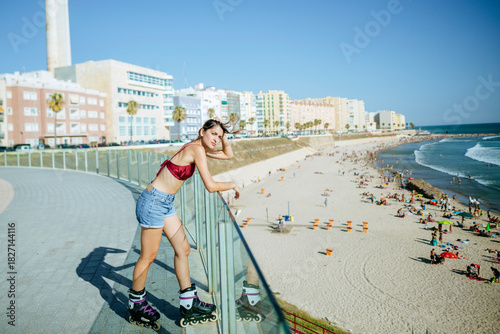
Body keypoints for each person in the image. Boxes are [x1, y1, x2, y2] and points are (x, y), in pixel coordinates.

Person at [128, 118, 241, 329]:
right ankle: (136, 303)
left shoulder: (200, 148)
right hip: (153, 202)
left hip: (165, 202)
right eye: (213, 134)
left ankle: (188, 303)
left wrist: (225, 137)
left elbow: (229, 154)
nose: (216, 139)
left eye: (219, 136)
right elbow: (210, 185)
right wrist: (231, 184)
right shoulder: (196, 150)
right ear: (201, 132)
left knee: (184, 249)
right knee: (148, 256)